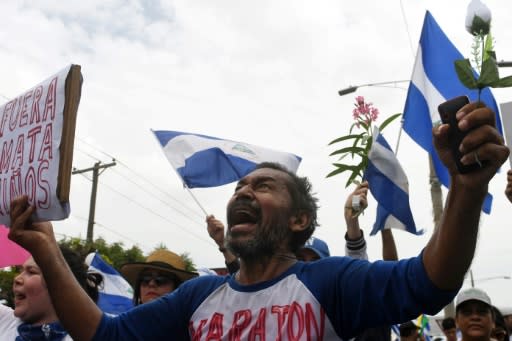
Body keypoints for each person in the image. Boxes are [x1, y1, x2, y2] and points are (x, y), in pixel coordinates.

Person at [7, 102, 509, 340]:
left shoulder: (331, 282)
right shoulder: (197, 299)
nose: (243, 191)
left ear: (299, 221)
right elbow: (104, 338)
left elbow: (430, 282)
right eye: (240, 189)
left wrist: (466, 190)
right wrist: (46, 249)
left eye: (263, 187)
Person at [0, 245, 102, 340]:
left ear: (61, 286)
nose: (17, 279)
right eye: (21, 271)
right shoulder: (4, 321)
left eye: (31, 272)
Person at [119, 249, 197, 305]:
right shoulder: (124, 324)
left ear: (178, 288)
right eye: (146, 278)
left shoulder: (190, 327)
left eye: (161, 279)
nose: (151, 284)